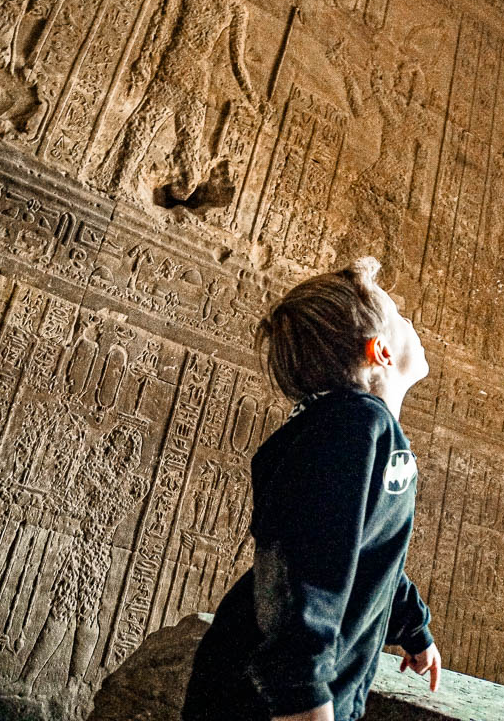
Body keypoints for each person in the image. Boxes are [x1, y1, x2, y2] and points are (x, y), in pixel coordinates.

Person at [182, 256, 441, 721]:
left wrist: (413, 627)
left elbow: (362, 552)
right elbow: (303, 567)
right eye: (400, 315)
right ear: (379, 351)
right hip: (265, 704)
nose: (411, 319)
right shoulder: (354, 427)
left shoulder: (351, 431)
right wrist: (302, 697)